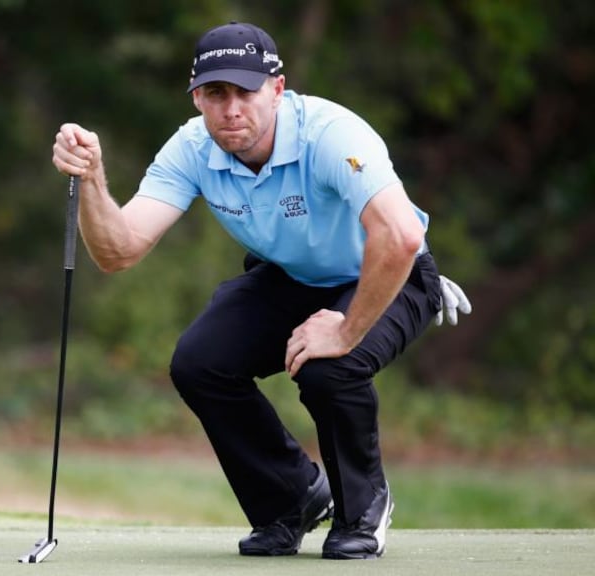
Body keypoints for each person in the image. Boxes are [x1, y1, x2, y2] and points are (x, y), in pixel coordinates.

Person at [51, 21, 471, 560]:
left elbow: (401, 235)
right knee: (199, 363)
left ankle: (363, 510)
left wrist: (344, 329)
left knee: (328, 366)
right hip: (292, 276)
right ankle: (291, 499)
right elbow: (119, 250)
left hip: (392, 271)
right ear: (198, 96)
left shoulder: (330, 134)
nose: (231, 109)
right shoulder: (193, 146)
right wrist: (92, 181)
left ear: (277, 89)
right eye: (215, 94)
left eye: (245, 92)